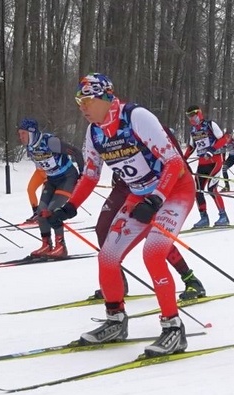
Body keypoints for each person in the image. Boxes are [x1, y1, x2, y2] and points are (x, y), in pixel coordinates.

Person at [50, 73, 195, 357]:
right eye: (79, 101)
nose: (82, 107)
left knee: (153, 254)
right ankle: (116, 320)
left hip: (174, 189)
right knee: (107, 256)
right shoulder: (94, 132)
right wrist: (69, 206)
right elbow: (91, 175)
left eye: (86, 100)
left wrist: (156, 199)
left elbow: (174, 162)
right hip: (139, 194)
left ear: (105, 97)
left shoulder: (136, 117)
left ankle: (173, 329)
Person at [85, 169, 206, 301]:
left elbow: (174, 160)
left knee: (154, 234)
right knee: (102, 228)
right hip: (123, 184)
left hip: (150, 184)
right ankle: (116, 283)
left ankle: (190, 279)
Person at [17, 118, 83, 258]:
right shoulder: (30, 147)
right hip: (52, 179)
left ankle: (61, 246)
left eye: (23, 133)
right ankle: (46, 244)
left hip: (67, 177)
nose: (20, 137)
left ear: (31, 132)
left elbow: (77, 152)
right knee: (41, 212)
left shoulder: (50, 141)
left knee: (52, 211)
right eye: (19, 133)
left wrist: (82, 175)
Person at [183, 104, 230, 227]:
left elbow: (224, 139)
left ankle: (223, 216)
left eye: (193, 115)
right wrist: (183, 159)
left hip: (215, 161)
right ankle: (204, 218)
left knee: (212, 189)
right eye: (189, 116)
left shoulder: (210, 124)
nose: (191, 118)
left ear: (198, 113)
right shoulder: (193, 130)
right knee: (197, 190)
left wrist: (211, 150)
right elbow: (192, 147)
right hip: (202, 163)